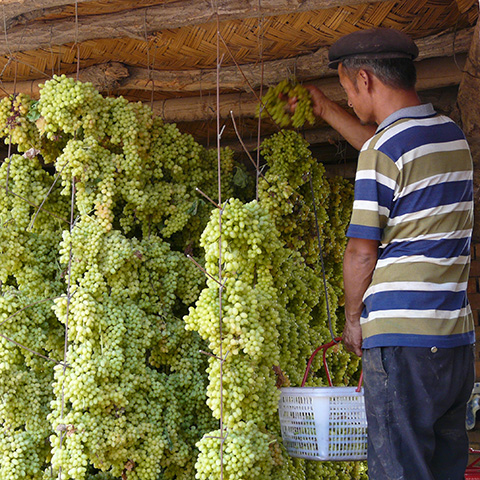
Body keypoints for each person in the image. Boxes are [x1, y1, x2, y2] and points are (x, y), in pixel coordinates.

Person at [294, 28, 475, 479]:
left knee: (398, 470)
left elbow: (360, 252)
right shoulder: (449, 136)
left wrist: (352, 319)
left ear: (366, 80)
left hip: (401, 344)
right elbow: (384, 151)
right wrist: (327, 109)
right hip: (454, 343)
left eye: (347, 90)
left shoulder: (383, 152)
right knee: (443, 469)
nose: (349, 100)